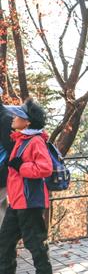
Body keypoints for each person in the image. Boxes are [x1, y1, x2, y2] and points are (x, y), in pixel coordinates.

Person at [0, 99, 53, 274]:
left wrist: (21, 167)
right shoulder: (21, 139)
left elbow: (45, 168)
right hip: (16, 202)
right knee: (4, 244)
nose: (13, 118)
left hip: (30, 202)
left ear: (27, 122)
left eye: (18, 115)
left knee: (36, 247)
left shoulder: (35, 141)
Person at [0, 87, 15, 225]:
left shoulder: (5, 117)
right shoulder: (6, 116)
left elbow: (9, 145)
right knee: (2, 206)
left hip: (2, 168)